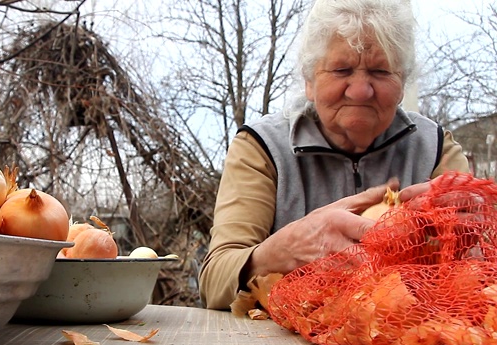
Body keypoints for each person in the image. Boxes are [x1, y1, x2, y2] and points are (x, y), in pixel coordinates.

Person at [197, 0, 470, 310]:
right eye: (342, 70)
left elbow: (480, 265)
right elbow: (214, 281)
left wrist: (458, 236)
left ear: (402, 83)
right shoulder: (262, 147)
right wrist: (280, 252)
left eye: (380, 71)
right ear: (309, 82)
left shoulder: (434, 147)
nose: (360, 90)